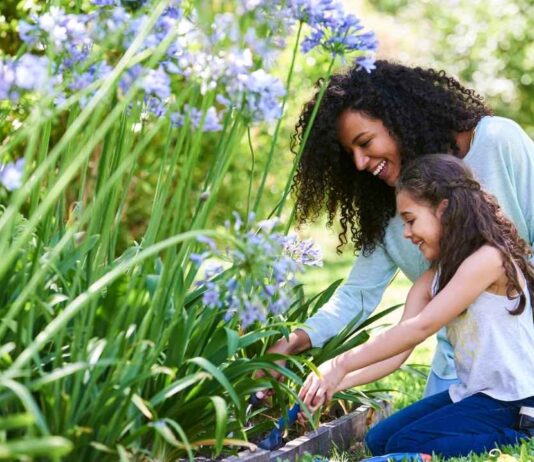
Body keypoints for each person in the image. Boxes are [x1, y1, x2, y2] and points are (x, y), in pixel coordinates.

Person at [262, 60, 534, 397]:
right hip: (461, 366)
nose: (360, 163)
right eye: (351, 154)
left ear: (398, 119)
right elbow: (357, 295)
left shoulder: (495, 141)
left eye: (365, 143)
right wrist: (295, 339)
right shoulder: (388, 210)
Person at [298, 154, 534, 459]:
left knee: (405, 445)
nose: (406, 233)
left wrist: (339, 364)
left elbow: (421, 327)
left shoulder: (489, 260)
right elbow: (400, 346)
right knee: (379, 440)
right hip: (476, 394)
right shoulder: (434, 276)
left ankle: (520, 434)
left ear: (444, 210)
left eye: (410, 220)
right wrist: (335, 384)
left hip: (515, 399)